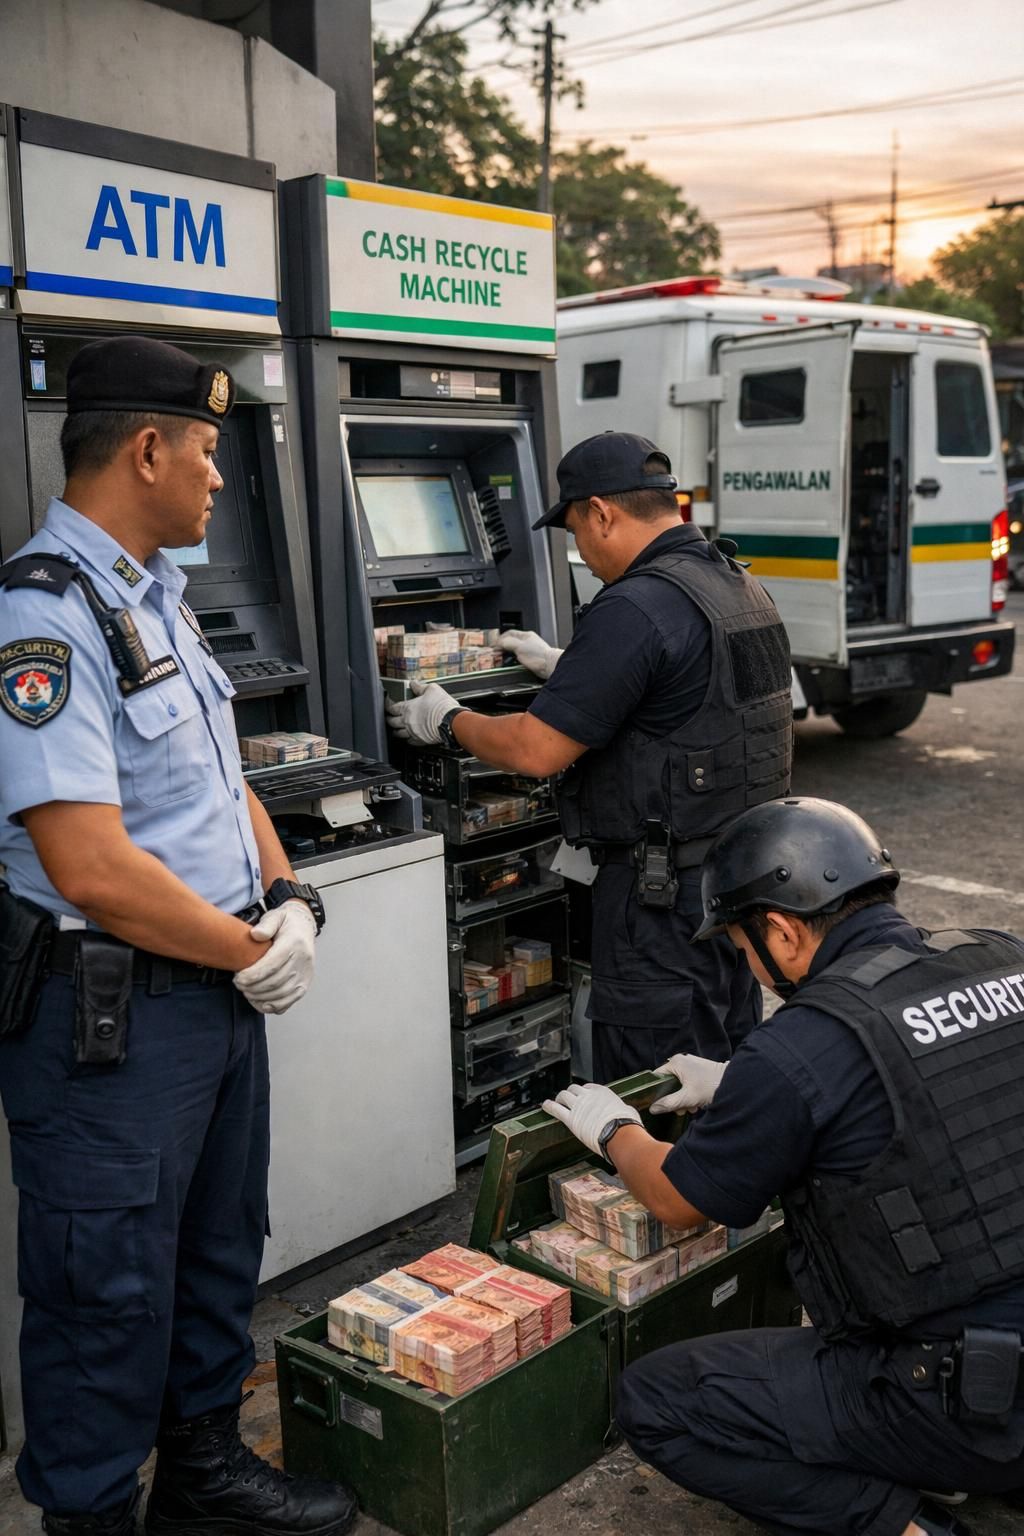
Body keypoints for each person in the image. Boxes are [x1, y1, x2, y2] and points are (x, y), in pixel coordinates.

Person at [0, 337, 356, 1536]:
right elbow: (90, 866)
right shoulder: (39, 617)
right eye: (206, 453)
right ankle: (94, 1516)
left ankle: (202, 1477)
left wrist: (287, 889)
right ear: (147, 448)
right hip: (107, 1022)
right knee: (104, 1293)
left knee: (216, 1247)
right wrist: (249, 949)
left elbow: (222, 777)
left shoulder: (156, 598)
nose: (217, 479)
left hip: (208, 995)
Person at [543, 796, 1024, 1536]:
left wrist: (616, 1131)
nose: (746, 964)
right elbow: (924, 1091)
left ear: (781, 930)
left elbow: (681, 1200)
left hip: (962, 1390)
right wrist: (745, 1084)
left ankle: (910, 1521)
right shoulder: (1001, 956)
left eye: (739, 944)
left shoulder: (803, 1042)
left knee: (660, 1404)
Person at [387, 431, 793, 1081]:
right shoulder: (734, 585)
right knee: (719, 1069)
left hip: (661, 905)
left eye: (577, 530)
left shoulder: (634, 604)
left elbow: (536, 750)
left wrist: (448, 721)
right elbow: (689, 698)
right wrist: (568, 669)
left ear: (602, 512)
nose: (580, 550)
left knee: (654, 1087)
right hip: (736, 881)